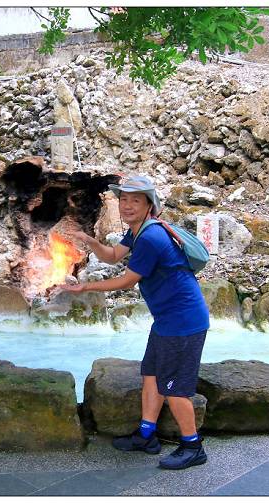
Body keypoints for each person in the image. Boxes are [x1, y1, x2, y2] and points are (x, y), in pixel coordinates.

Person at [60, 175, 210, 470]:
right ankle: (146, 435)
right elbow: (114, 255)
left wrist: (84, 287)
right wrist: (91, 242)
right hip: (167, 320)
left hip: (183, 323)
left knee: (174, 389)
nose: (127, 206)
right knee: (152, 376)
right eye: (123, 199)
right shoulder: (138, 230)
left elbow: (127, 281)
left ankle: (193, 446)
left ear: (148, 205)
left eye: (135, 200)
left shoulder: (152, 237)